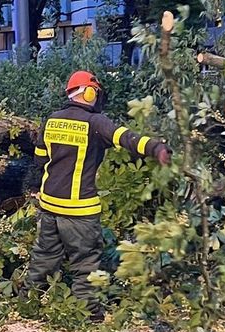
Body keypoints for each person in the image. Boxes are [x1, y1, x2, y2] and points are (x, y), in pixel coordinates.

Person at [26, 70, 172, 319]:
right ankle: (88, 314)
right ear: (89, 93)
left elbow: (40, 159)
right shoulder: (96, 122)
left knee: (44, 257)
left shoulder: (51, 120)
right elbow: (127, 138)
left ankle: (28, 303)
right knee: (85, 263)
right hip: (79, 210)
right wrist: (157, 148)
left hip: (49, 206)